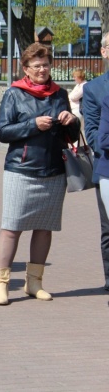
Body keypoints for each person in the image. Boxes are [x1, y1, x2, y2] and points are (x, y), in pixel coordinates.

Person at [0, 42, 80, 305]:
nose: (43, 69)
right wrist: (32, 125)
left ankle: (34, 283)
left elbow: (72, 136)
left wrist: (72, 121)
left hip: (54, 170)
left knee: (44, 228)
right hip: (21, 170)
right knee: (12, 227)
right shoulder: (14, 93)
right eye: (37, 66)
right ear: (26, 69)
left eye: (46, 65)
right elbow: (3, 132)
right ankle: (1, 284)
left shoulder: (59, 94)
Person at [83, 31, 109, 293]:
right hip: (107, 167)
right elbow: (91, 133)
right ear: (104, 52)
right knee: (108, 227)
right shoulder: (94, 89)